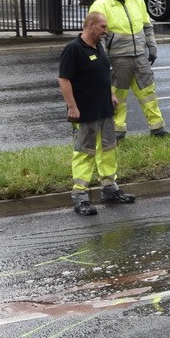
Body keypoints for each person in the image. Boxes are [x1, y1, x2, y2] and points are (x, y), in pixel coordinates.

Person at [58, 11, 136, 215]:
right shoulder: (73, 49)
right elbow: (64, 80)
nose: (106, 31)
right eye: (103, 27)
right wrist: (72, 107)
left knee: (109, 149)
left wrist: (110, 94)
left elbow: (103, 73)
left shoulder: (98, 46)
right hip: (85, 112)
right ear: (90, 25)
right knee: (85, 153)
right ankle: (80, 197)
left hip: (104, 110)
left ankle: (109, 189)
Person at [88, 0, 170, 141]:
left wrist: (152, 47)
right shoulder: (101, 5)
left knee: (149, 93)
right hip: (118, 59)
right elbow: (97, 36)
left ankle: (158, 129)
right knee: (118, 97)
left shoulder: (137, 1)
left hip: (139, 57)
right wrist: (104, 60)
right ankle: (118, 133)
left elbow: (147, 26)